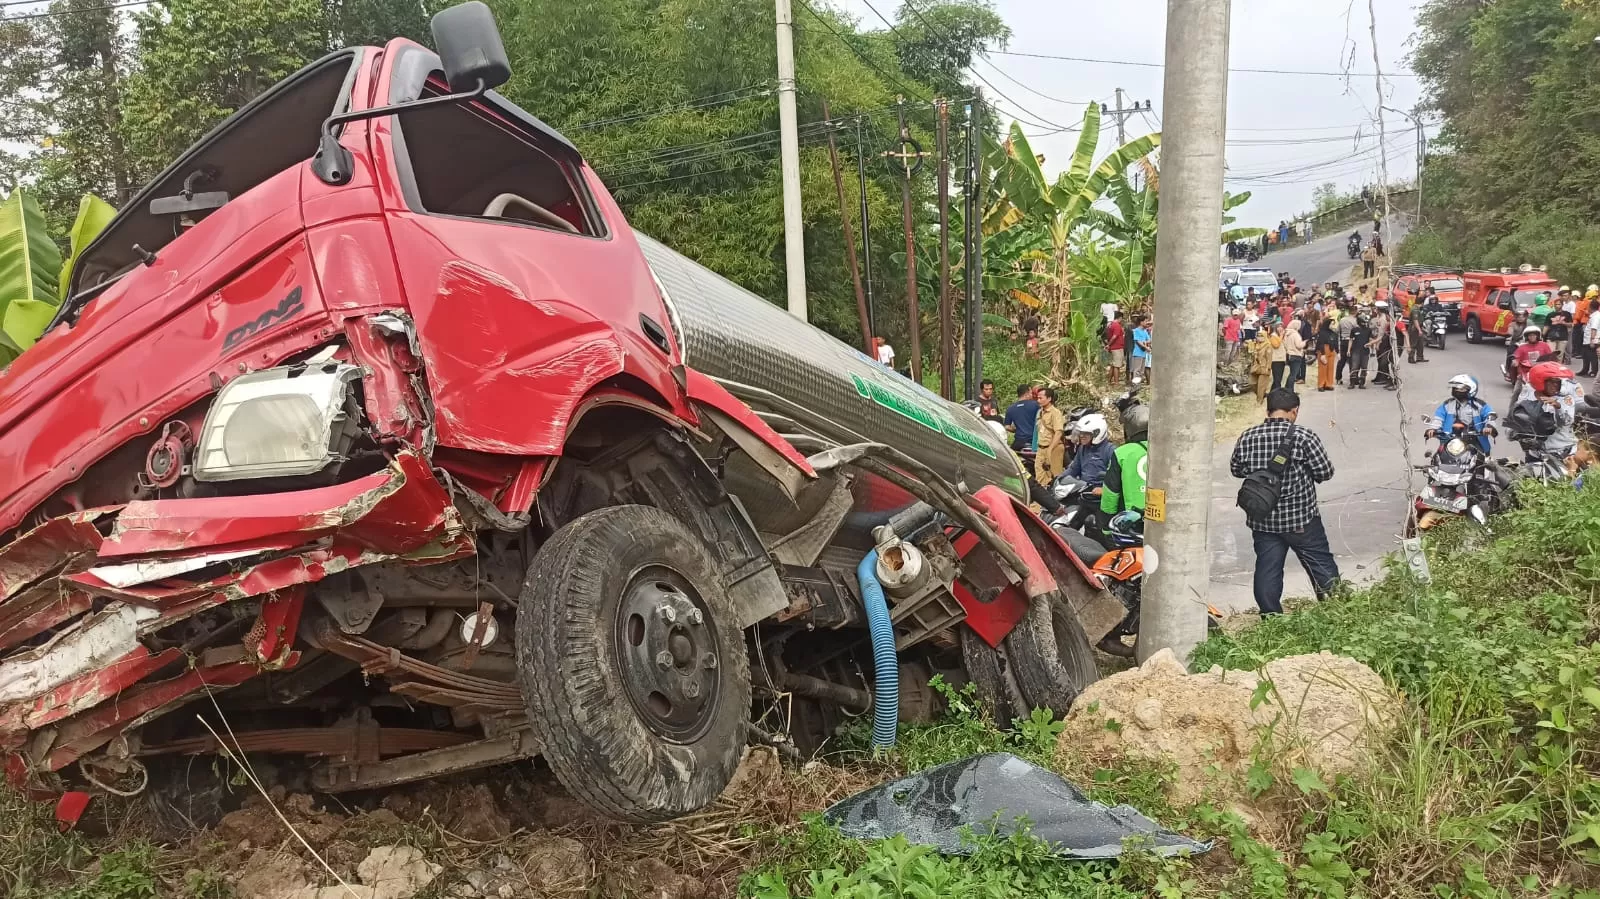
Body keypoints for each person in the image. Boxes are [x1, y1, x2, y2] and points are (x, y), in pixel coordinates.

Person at [1229, 389, 1340, 615]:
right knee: (1320, 566)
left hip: (1263, 521)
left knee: (1267, 570)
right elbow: (1325, 472)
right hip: (1301, 519)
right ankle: (1335, 609)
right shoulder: (1304, 436)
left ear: (1267, 409)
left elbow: (1237, 470)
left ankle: (1271, 617)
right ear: (1294, 411)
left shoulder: (1248, 436)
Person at [1517, 361, 1579, 461]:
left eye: (1558, 382)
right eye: (1552, 382)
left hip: (1562, 450)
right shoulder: (1528, 394)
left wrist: (1558, 407)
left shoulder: (1566, 398)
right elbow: (1517, 415)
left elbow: (1567, 421)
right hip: (1535, 451)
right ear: (1540, 381)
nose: (1556, 385)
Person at [1100, 404, 1149, 524]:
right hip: (1162, 519)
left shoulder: (1122, 453)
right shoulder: (1169, 452)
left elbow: (1110, 493)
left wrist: (1106, 525)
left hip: (1131, 521)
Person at [1425, 374, 1496, 454]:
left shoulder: (1480, 405)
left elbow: (1489, 416)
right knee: (1438, 458)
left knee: (1482, 461)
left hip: (1475, 440)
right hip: (1450, 440)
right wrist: (1432, 429)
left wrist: (1489, 427)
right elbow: (1438, 418)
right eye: (1455, 388)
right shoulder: (1447, 404)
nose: (1457, 391)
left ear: (1471, 389)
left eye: (1461, 389)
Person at [1034, 387, 1067, 486]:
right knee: (1040, 475)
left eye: (1041, 398)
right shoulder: (1040, 412)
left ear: (1049, 399)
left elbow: (1058, 432)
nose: (1038, 400)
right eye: (1037, 398)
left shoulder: (1055, 413)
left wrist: (1050, 448)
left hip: (1053, 448)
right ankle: (1041, 500)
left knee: (1055, 475)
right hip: (1041, 448)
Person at [1511, 325, 1553, 398]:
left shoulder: (1544, 345)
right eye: (1530, 335)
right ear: (1527, 337)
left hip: (1542, 372)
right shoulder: (1522, 347)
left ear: (1537, 336)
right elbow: (1516, 357)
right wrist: (1515, 361)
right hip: (1525, 373)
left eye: (1534, 335)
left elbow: (1550, 357)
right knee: (1516, 393)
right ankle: (1512, 409)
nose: (1532, 337)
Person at [1003, 384, 1039, 454]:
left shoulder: (1010, 408)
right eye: (1031, 393)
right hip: (1033, 441)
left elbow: (1007, 427)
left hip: (1018, 442)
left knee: (1011, 456)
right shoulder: (1035, 405)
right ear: (1027, 393)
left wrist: (1016, 430)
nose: (1032, 395)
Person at [1371, 300, 1396, 389]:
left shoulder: (1383, 319)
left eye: (1376, 308)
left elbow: (1381, 333)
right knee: (1379, 359)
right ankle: (1380, 376)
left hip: (1383, 341)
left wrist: (1377, 344)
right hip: (1380, 339)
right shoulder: (1380, 316)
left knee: (1382, 360)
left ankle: (1384, 377)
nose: (1375, 310)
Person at [1347, 308, 1373, 389]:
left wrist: (1372, 348)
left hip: (1365, 352)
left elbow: (1371, 340)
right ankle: (1352, 383)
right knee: (1354, 367)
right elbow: (1351, 340)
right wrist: (1348, 350)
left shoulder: (1368, 330)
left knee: (1364, 367)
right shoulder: (1354, 330)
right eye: (1362, 322)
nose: (1364, 323)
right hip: (1355, 351)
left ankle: (1362, 383)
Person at [1249, 328, 1276, 402]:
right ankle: (1262, 395)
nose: (1259, 337)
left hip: (1264, 367)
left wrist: (1268, 368)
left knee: (1261, 386)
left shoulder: (1268, 346)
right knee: (1252, 383)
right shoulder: (1256, 345)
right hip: (1256, 367)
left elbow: (1269, 358)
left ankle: (1259, 402)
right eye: (1258, 335)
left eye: (1261, 336)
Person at [1315, 315, 1339, 391]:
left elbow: (1336, 343)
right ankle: (1321, 384)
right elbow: (1320, 343)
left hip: (1332, 350)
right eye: (1332, 324)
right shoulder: (1322, 333)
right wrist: (1322, 354)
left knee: (1330, 368)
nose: (1333, 325)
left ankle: (1329, 384)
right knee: (1323, 368)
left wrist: (1338, 352)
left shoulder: (1334, 333)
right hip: (1324, 349)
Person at [1336, 302, 1358, 385]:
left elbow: (1337, 331)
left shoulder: (1342, 320)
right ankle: (1353, 378)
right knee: (1352, 360)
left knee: (1342, 360)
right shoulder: (1355, 321)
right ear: (1355, 312)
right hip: (1352, 341)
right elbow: (1356, 332)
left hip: (1343, 341)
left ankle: (1338, 378)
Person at [1283, 314, 1306, 391]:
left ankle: (1288, 389)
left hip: (1289, 355)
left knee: (1291, 373)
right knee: (1293, 374)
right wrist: (1304, 342)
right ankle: (1290, 390)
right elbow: (1299, 345)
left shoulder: (1286, 334)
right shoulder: (1295, 335)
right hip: (1296, 355)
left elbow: (1285, 344)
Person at [1104, 310, 1126, 387]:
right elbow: (1114, 336)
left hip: (1114, 347)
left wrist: (1108, 344)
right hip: (1117, 347)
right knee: (1117, 366)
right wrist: (1109, 345)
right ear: (1120, 318)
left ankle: (1109, 381)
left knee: (1113, 365)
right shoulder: (1116, 325)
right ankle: (1116, 383)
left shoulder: (1110, 325)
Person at [1407, 295, 1429, 363]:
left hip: (1418, 327)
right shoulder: (1415, 309)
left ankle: (1420, 357)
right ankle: (1411, 358)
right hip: (1414, 328)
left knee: (1420, 343)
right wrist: (1419, 330)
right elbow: (1415, 320)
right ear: (1421, 303)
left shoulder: (1416, 308)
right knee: (1413, 344)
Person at [1130, 315, 1152, 384]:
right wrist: (1146, 347)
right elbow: (1138, 341)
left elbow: (1149, 340)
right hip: (1137, 353)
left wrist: (1145, 343)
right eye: (1145, 321)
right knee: (1137, 370)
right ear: (1141, 322)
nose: (1146, 323)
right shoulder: (1136, 331)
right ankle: (1135, 385)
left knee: (1142, 371)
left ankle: (1138, 384)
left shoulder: (1145, 331)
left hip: (1143, 353)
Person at [1268, 322, 1289, 391]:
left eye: (1282, 327)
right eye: (1278, 327)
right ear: (1275, 328)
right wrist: (1281, 336)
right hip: (1275, 359)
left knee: (1279, 378)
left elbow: (1286, 346)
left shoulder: (1282, 336)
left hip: (1282, 359)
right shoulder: (1273, 336)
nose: (1280, 328)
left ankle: (1272, 393)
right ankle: (1278, 394)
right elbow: (1276, 345)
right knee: (1277, 379)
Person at [1583, 298, 1600, 378]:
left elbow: (1594, 328)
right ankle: (1585, 370)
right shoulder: (1593, 315)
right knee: (1586, 356)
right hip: (1588, 339)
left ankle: (1594, 371)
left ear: (1591, 307)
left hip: (1592, 340)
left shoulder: (1596, 316)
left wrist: (1592, 340)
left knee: (1592, 357)